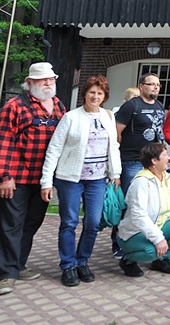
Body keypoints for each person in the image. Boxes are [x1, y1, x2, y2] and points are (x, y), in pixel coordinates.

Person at [0, 62, 67, 296]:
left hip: (43, 180)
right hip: (17, 179)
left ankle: (18, 265)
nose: (48, 83)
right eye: (43, 80)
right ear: (30, 82)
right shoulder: (15, 106)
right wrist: (4, 176)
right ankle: (5, 275)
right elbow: (3, 141)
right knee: (10, 226)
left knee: (30, 224)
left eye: (51, 79)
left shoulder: (57, 105)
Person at [40, 75, 121, 286]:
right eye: (91, 92)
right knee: (69, 222)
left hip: (97, 179)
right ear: (84, 94)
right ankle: (68, 265)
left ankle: (82, 261)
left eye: (99, 93)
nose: (95, 97)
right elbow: (54, 149)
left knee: (93, 222)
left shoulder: (108, 116)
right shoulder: (71, 117)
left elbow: (113, 146)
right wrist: (46, 181)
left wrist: (116, 173)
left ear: (104, 97)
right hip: (70, 178)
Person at [115, 143, 170, 277]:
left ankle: (161, 260)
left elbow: (167, 201)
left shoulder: (166, 176)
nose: (169, 158)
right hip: (134, 233)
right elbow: (139, 216)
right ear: (154, 161)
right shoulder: (141, 182)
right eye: (165, 155)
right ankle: (127, 261)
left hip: (157, 226)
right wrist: (158, 239)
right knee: (151, 251)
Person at [114, 73, 166, 191]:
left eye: (158, 84)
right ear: (141, 86)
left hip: (153, 160)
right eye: (151, 84)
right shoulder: (131, 105)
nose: (155, 87)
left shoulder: (159, 106)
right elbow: (117, 133)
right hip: (132, 159)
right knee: (131, 195)